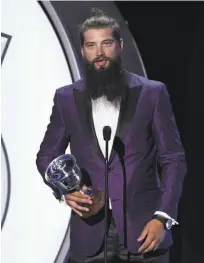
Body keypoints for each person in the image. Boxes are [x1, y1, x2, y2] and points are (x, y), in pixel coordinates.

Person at [36, 8, 187, 263]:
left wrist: (163, 217)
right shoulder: (66, 98)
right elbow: (47, 155)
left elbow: (173, 158)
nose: (99, 53)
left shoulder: (152, 93)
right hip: (90, 232)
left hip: (145, 231)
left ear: (120, 45)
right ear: (83, 51)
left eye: (106, 43)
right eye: (91, 45)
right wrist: (65, 189)